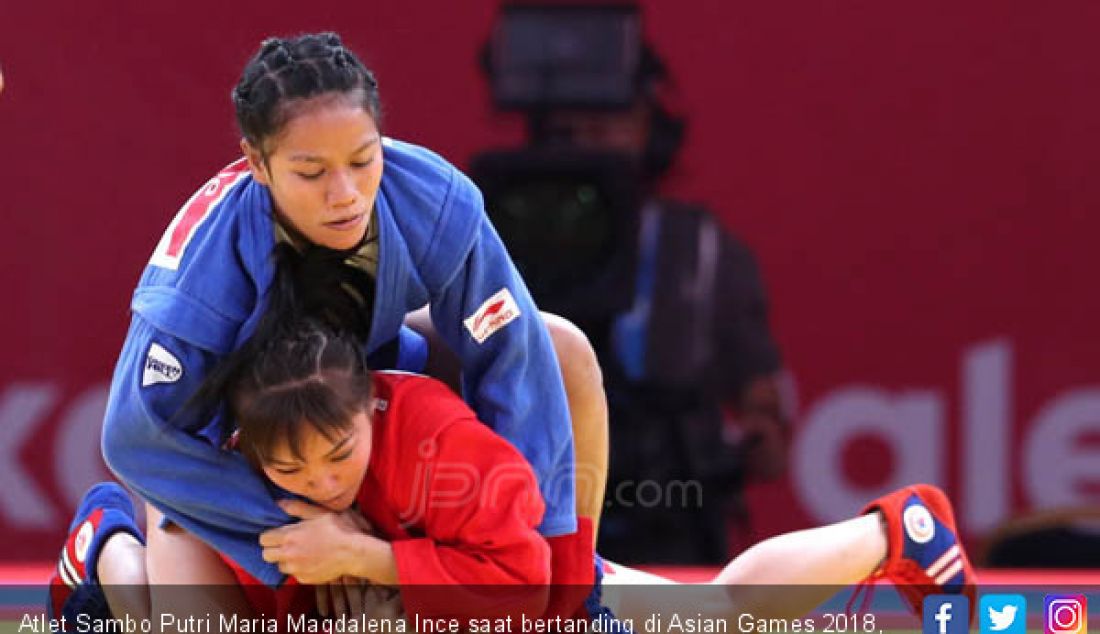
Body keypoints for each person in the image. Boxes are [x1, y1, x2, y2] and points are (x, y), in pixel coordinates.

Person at [86, 30, 607, 597]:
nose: (345, 194)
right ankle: (102, 542)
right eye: (312, 173)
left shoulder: (430, 199)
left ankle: (587, 591)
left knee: (557, 349)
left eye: (363, 160)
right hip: (255, 448)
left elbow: (514, 357)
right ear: (257, 164)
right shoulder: (202, 274)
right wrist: (303, 534)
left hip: (365, 391)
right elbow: (135, 439)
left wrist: (561, 587)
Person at [50, 317, 975, 626]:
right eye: (294, 465)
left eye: (338, 456)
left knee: (717, 620)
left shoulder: (436, 441)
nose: (321, 479)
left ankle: (898, 531)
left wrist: (370, 563)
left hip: (521, 591)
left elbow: (527, 580)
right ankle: (107, 545)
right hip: (370, 600)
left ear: (370, 410)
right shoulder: (243, 461)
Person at [540, 44, 788, 563]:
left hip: (678, 507)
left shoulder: (703, 247)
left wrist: (763, 426)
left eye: (613, 120)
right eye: (577, 123)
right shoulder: (519, 233)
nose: (594, 137)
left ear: (651, 128)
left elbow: (762, 403)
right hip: (547, 502)